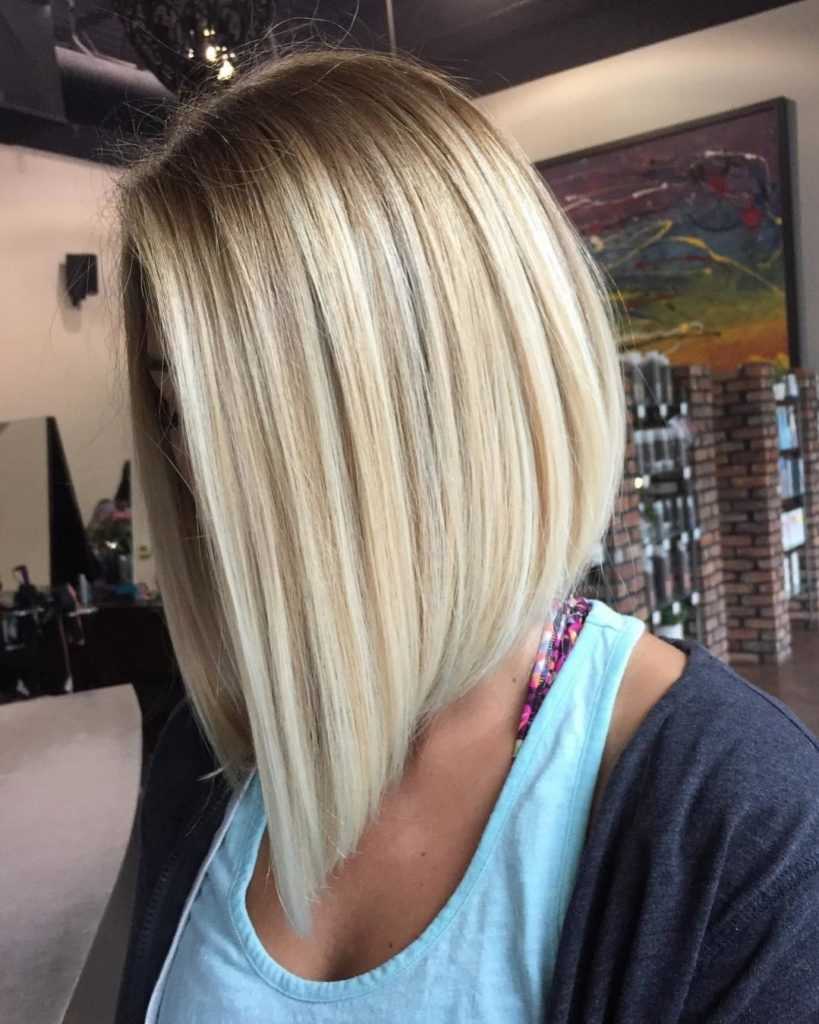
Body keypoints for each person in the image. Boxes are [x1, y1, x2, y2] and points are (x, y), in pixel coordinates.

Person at [114, 49, 819, 1024]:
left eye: (266, 411)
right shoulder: (213, 750)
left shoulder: (742, 824)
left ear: (458, 390)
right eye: (180, 408)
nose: (209, 480)